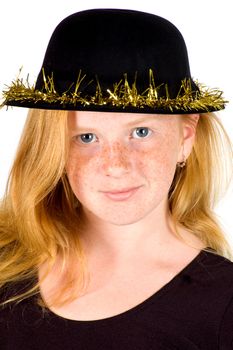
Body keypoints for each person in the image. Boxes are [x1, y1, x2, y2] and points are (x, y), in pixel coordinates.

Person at [0, 8, 233, 349]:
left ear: (186, 137)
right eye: (87, 137)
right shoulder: (7, 268)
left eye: (140, 132)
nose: (116, 165)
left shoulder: (223, 305)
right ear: (54, 148)